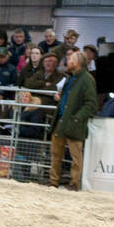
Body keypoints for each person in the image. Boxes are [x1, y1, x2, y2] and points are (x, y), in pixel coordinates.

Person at [47, 50, 97, 190]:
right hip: (61, 120)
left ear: (78, 63)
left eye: (70, 59)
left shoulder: (87, 79)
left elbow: (91, 105)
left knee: (75, 156)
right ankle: (53, 181)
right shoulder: (70, 78)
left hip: (74, 123)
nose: (67, 62)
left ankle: (74, 183)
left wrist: (77, 119)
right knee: (56, 153)